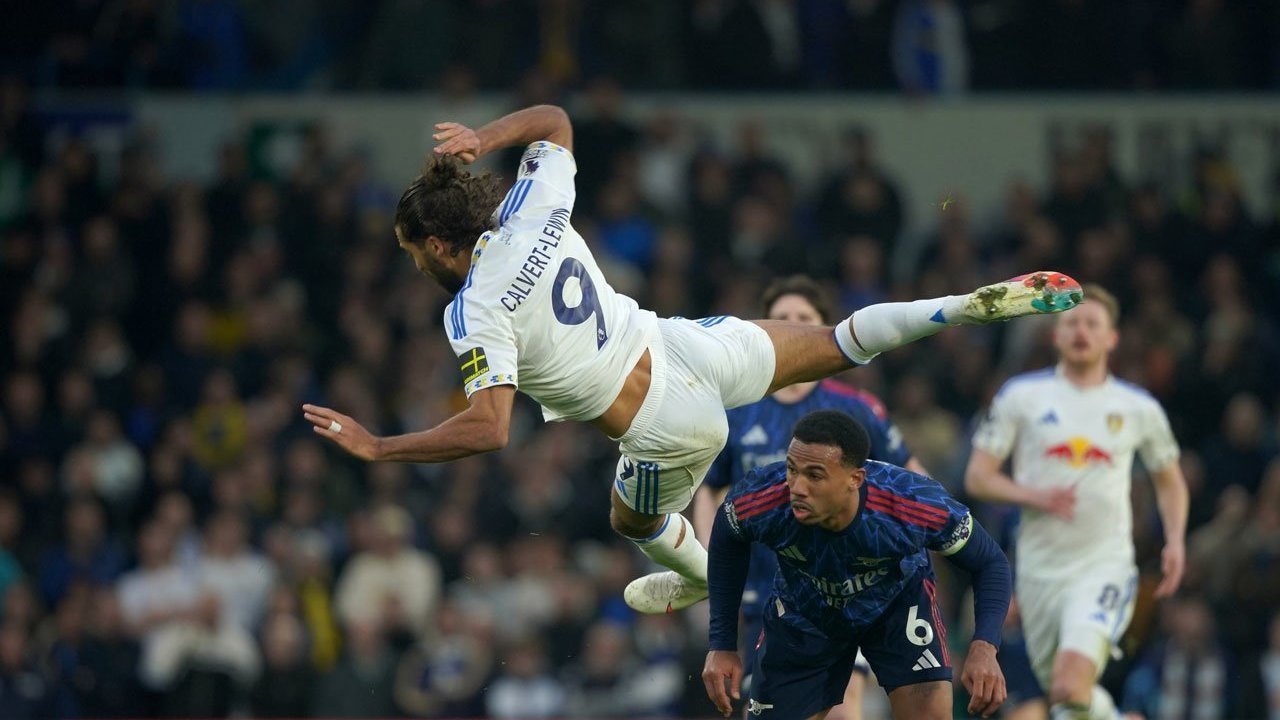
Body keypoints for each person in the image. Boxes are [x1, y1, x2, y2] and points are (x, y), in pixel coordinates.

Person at [301, 103, 1083, 614]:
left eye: (413, 252)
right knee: (836, 341)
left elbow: (490, 428)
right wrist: (482, 138)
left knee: (630, 516)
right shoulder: (528, 208)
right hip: (684, 343)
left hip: (661, 425)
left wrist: (381, 447)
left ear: (441, 245)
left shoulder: (471, 309)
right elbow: (556, 122)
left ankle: (707, 578)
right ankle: (957, 305)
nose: (415, 266)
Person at [692, 275, 929, 720]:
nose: (793, 325)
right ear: (763, 331)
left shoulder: (855, 407)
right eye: (781, 318)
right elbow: (711, 488)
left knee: (842, 709)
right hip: (765, 588)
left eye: (804, 317)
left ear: (823, 328)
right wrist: (707, 553)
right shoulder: (737, 411)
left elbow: (914, 479)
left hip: (849, 584)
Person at [964, 284, 1188, 720]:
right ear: (1056, 335)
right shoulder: (1021, 396)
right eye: (1072, 322)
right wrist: (1034, 495)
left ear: (1112, 337)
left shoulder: (1137, 407)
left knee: (1068, 683)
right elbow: (978, 475)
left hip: (1104, 565)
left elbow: (1170, 481)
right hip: (1038, 571)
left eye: (1092, 323)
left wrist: (1176, 540)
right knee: (1067, 698)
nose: (1081, 331)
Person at [702, 410, 1011, 720]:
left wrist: (985, 646)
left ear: (855, 479)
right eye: (792, 469)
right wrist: (722, 644)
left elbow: (990, 561)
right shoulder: (763, 496)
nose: (797, 487)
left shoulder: (913, 502)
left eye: (815, 475)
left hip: (896, 607)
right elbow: (727, 537)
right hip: (804, 612)